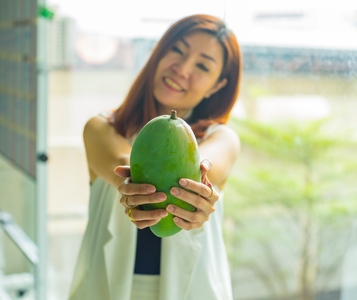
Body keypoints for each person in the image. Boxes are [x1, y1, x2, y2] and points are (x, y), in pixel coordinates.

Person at [69, 14, 242, 300]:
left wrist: (200, 188)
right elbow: (124, 163)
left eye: (202, 66)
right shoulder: (100, 128)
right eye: (178, 50)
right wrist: (130, 182)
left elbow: (208, 167)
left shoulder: (221, 139)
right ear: (158, 53)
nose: (182, 68)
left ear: (216, 85)